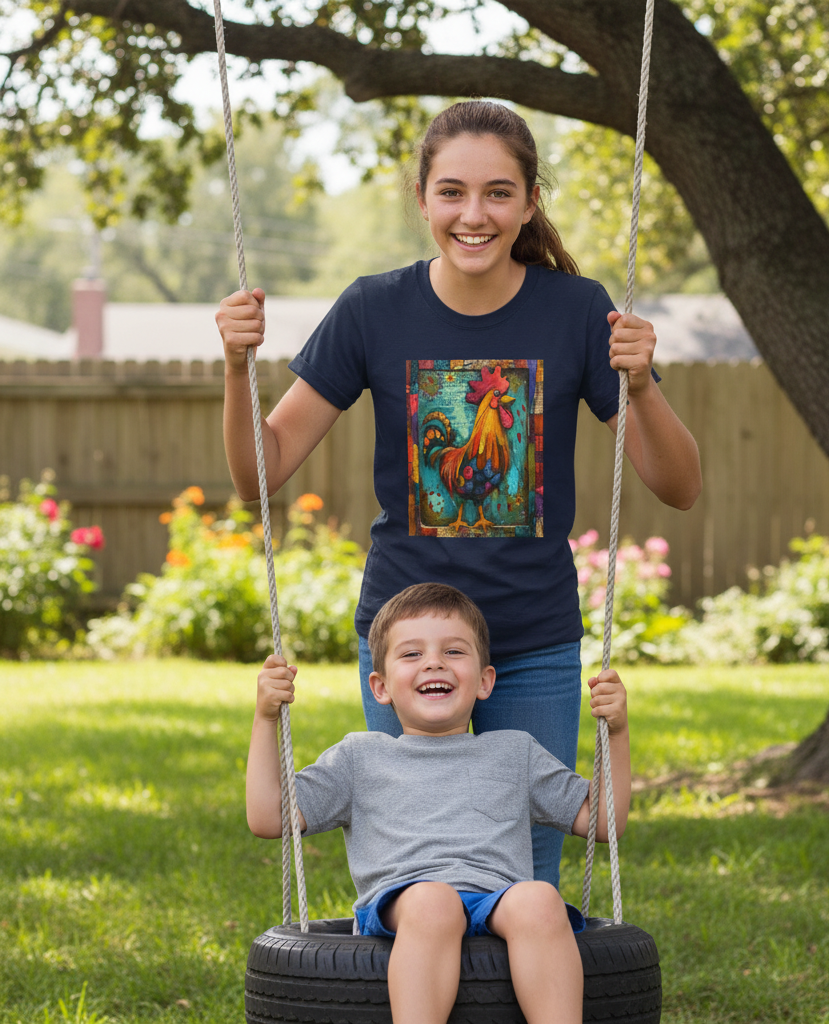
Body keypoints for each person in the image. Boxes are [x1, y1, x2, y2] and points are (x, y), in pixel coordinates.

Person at [218, 100, 700, 888]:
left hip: (533, 637)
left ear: (530, 202)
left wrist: (641, 385)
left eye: (498, 193)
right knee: (413, 863)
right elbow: (259, 477)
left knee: (529, 872)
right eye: (452, 192)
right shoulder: (373, 309)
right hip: (409, 639)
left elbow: (678, 487)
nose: (474, 215)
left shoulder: (578, 311)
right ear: (422, 199)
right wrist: (236, 369)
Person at [246, 582, 631, 1024]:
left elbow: (604, 821)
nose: (434, 662)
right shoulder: (360, 757)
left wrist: (616, 731)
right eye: (412, 654)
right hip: (402, 902)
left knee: (541, 899)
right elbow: (268, 817)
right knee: (434, 901)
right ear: (381, 687)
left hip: (496, 899)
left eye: (454, 652)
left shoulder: (514, 751)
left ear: (485, 681)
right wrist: (265, 718)